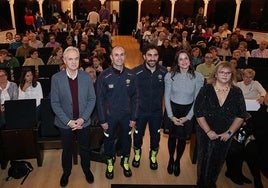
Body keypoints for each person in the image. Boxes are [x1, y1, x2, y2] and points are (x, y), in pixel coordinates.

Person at [194, 61, 247, 188]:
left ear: (232, 75)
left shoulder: (237, 92)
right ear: (216, 74)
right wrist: (208, 131)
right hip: (205, 131)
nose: (225, 75)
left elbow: (241, 115)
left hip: (225, 134)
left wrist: (229, 133)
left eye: (228, 73)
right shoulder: (206, 89)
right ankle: (201, 184)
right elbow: (198, 113)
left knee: (217, 162)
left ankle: (211, 184)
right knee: (204, 161)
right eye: (222, 72)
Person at [51, 46, 96, 187]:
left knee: (84, 148)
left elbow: (92, 99)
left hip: (84, 121)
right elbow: (55, 103)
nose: (73, 62)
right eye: (70, 59)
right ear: (64, 60)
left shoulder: (86, 77)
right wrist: (68, 121)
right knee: (67, 149)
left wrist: (83, 118)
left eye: (76, 58)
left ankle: (86, 169)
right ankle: (66, 171)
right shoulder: (56, 78)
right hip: (65, 123)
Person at [96, 46, 138, 179]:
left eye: (122, 55)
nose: (119, 58)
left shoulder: (131, 75)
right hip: (110, 117)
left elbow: (136, 98)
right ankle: (110, 162)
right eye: (116, 55)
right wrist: (102, 120)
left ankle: (125, 162)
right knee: (109, 141)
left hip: (127, 117)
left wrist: (134, 117)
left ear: (125, 56)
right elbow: (100, 100)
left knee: (126, 140)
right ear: (111, 57)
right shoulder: (104, 76)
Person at [164, 50, 204, 177]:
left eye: (186, 58)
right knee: (172, 137)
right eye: (180, 59)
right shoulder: (170, 75)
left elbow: (197, 100)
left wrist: (188, 117)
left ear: (190, 60)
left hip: (188, 111)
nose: (184, 61)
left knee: (181, 139)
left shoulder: (198, 77)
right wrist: (171, 116)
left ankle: (177, 161)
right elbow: (166, 97)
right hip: (173, 109)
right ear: (177, 61)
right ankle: (171, 158)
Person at [226, 68, 266, 187]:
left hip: (251, 116)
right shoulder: (238, 84)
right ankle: (232, 172)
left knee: (242, 145)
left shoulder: (256, 84)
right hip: (238, 115)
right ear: (242, 76)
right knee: (235, 145)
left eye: (250, 77)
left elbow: (263, 92)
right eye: (245, 76)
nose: (247, 79)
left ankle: (238, 172)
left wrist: (262, 97)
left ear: (253, 78)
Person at [131, 44, 167, 170]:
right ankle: (137, 155)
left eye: (155, 55)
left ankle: (153, 156)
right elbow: (130, 94)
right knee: (137, 135)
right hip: (140, 112)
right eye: (150, 55)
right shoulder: (135, 72)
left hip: (156, 113)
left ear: (158, 57)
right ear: (144, 56)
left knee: (155, 137)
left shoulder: (164, 72)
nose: (152, 58)